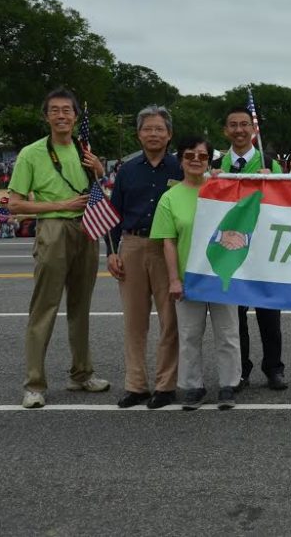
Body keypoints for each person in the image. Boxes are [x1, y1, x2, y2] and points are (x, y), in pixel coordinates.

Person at [9, 87, 110, 409]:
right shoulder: (32, 153)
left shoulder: (85, 150)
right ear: (47, 116)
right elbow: (14, 205)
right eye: (55, 110)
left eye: (67, 110)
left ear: (76, 116)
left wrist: (100, 171)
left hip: (88, 227)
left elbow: (96, 189)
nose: (62, 115)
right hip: (53, 229)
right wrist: (61, 204)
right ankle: (34, 383)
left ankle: (82, 373)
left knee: (81, 307)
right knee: (45, 308)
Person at [152, 136, 240, 410]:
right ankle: (192, 386)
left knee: (227, 334)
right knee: (189, 335)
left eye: (202, 156)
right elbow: (168, 241)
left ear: (209, 160)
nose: (196, 161)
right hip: (189, 277)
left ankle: (229, 385)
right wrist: (174, 279)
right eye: (190, 155)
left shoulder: (222, 189)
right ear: (180, 160)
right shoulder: (170, 197)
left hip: (221, 274)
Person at [106, 106, 183, 409]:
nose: (153, 134)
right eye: (147, 129)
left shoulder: (179, 169)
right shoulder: (127, 170)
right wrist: (111, 252)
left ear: (169, 134)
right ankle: (135, 385)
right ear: (138, 134)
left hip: (167, 248)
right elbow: (113, 216)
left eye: (159, 129)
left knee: (170, 319)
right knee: (135, 321)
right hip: (133, 246)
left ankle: (166, 385)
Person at [219, 107, 288, 392]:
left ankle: (274, 368)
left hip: (263, 250)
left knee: (269, 315)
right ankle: (241, 369)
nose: (239, 130)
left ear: (253, 129)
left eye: (244, 124)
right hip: (231, 247)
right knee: (235, 317)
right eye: (233, 125)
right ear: (226, 130)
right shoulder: (216, 165)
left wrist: (272, 184)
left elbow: (287, 205)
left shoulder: (269, 163)